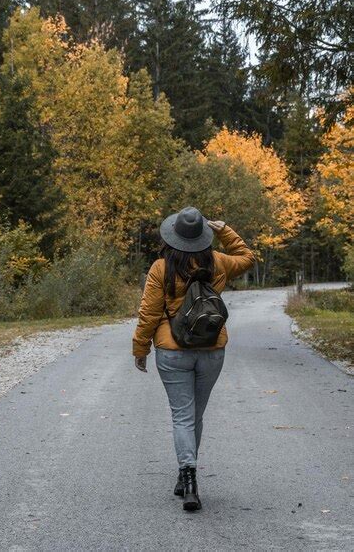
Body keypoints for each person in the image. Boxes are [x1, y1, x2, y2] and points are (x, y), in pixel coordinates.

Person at [132, 206, 256, 511]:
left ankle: (188, 478)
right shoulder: (218, 262)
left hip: (172, 349)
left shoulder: (161, 268)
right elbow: (248, 258)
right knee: (195, 415)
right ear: (203, 236)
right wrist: (225, 230)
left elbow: (149, 314)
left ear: (172, 236)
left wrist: (140, 348)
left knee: (182, 416)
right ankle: (185, 473)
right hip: (212, 347)